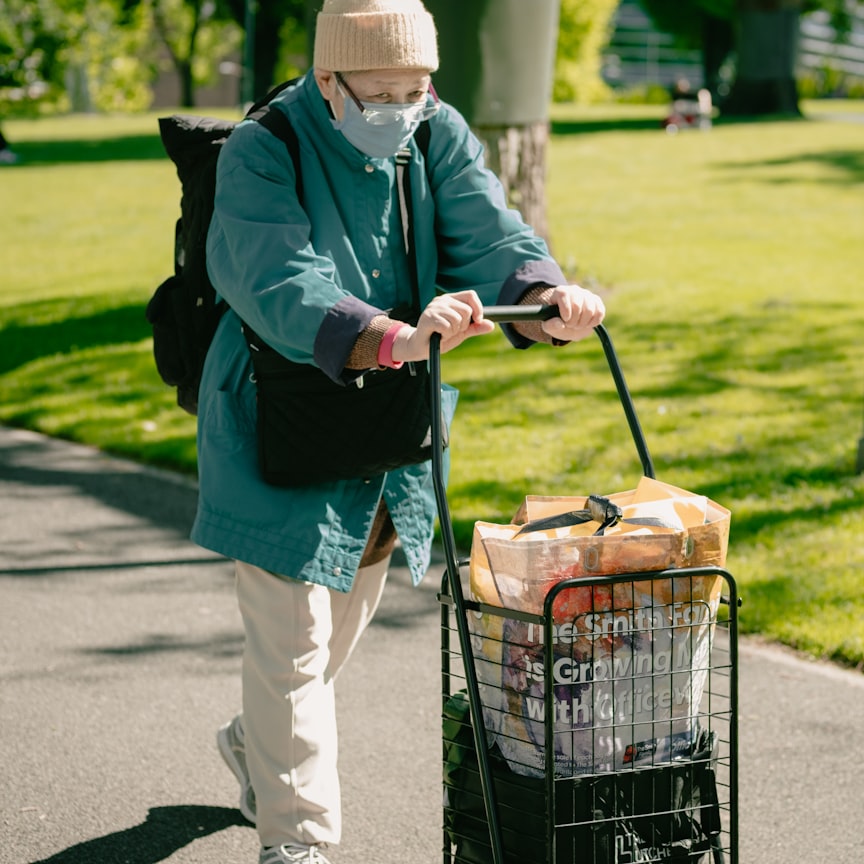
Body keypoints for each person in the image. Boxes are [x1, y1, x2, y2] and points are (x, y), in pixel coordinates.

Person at [191, 1, 605, 862]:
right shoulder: (263, 145)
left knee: (337, 629)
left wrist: (543, 299)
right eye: (379, 93)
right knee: (294, 647)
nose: (401, 110)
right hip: (279, 412)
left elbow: (486, 228)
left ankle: (255, 743)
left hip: (384, 426)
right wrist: (388, 337)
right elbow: (273, 275)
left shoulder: (435, 129)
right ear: (329, 82)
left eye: (415, 90)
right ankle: (297, 842)